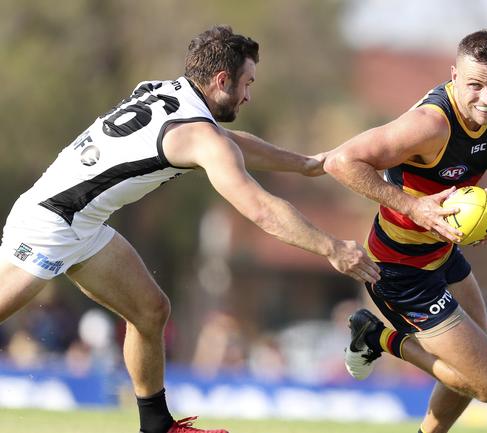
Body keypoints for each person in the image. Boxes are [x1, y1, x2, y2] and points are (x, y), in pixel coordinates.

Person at [0, 25, 380, 433]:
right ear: (222, 80)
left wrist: (303, 164)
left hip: (83, 225)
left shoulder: (166, 92)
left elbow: (229, 141)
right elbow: (261, 209)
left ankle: (158, 427)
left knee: (151, 310)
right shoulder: (198, 135)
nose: (248, 94)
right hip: (50, 224)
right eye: (247, 83)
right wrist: (331, 247)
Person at [324, 29, 487, 433]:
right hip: (398, 269)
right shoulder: (429, 125)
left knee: (476, 363)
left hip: (443, 256)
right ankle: (377, 337)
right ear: (454, 75)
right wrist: (413, 207)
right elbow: (341, 162)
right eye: (475, 85)